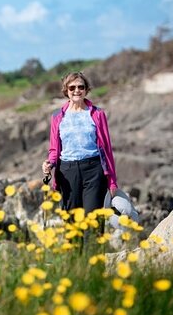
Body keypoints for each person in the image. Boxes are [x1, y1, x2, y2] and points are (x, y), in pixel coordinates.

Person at [42, 72, 118, 213]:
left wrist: (112, 182)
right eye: (72, 88)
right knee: (71, 223)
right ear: (66, 90)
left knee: (93, 220)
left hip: (94, 170)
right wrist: (49, 164)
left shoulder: (98, 114)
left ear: (86, 89)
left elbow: (107, 150)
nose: (76, 91)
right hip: (67, 171)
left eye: (80, 87)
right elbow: (54, 150)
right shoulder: (57, 116)